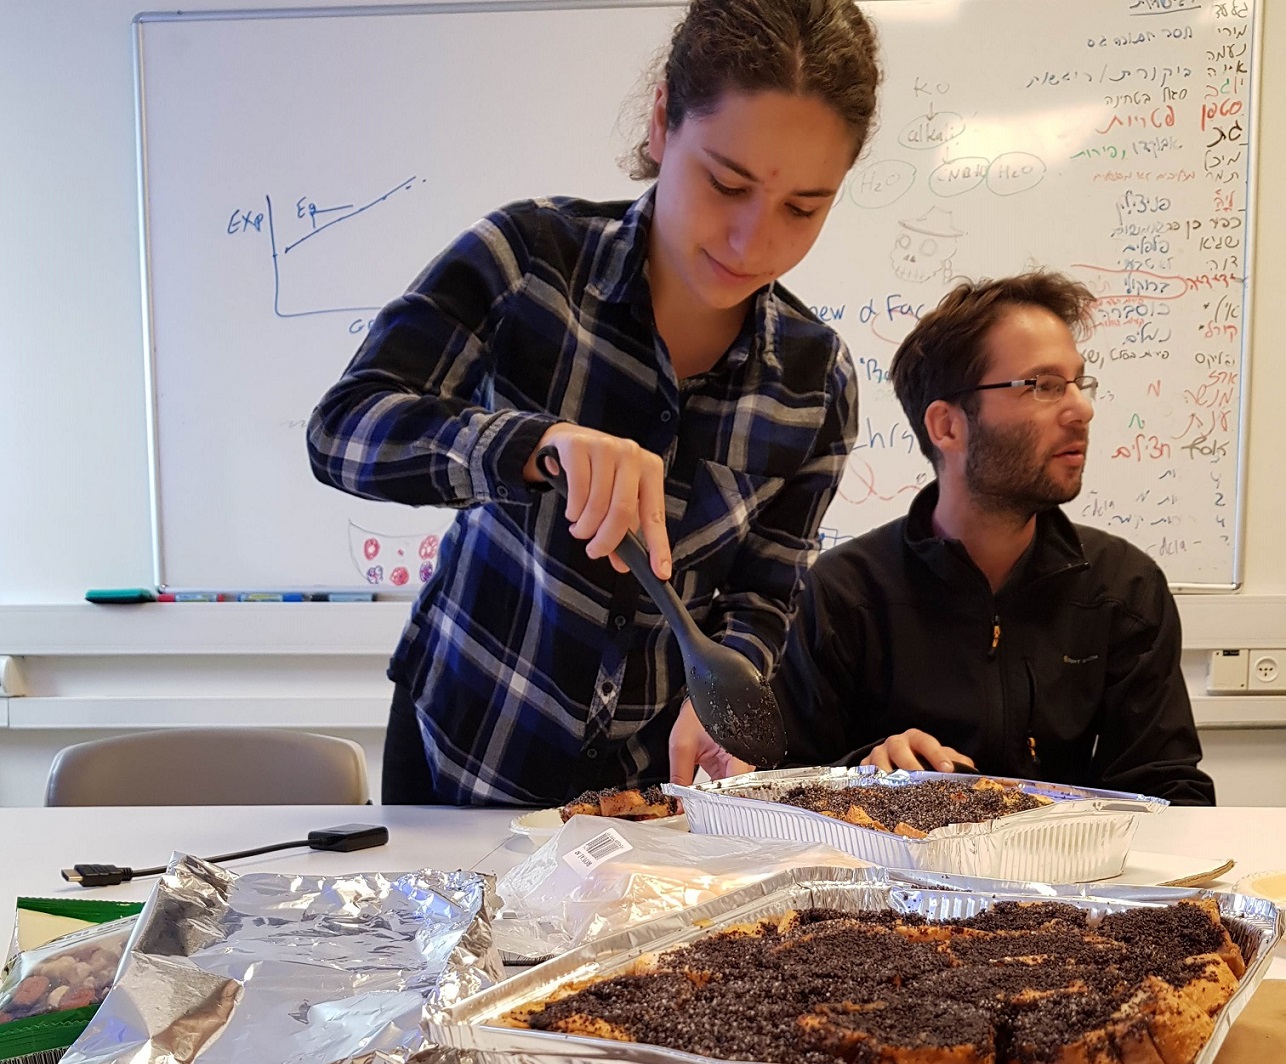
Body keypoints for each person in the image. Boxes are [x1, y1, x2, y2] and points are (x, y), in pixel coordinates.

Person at [307, 0, 881, 805]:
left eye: (802, 208)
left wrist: (727, 689)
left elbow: (765, 590)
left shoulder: (815, 380)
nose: (753, 241)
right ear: (662, 121)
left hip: (642, 791)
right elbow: (344, 430)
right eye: (726, 183)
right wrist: (535, 446)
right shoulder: (529, 262)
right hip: (466, 745)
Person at [772, 271, 1215, 805]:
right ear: (947, 426)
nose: (1082, 409)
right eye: (1044, 385)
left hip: (1068, 860)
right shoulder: (842, 595)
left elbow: (1171, 794)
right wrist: (866, 774)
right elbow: (782, 792)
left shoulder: (1123, 588)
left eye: (1079, 383)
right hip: (895, 859)